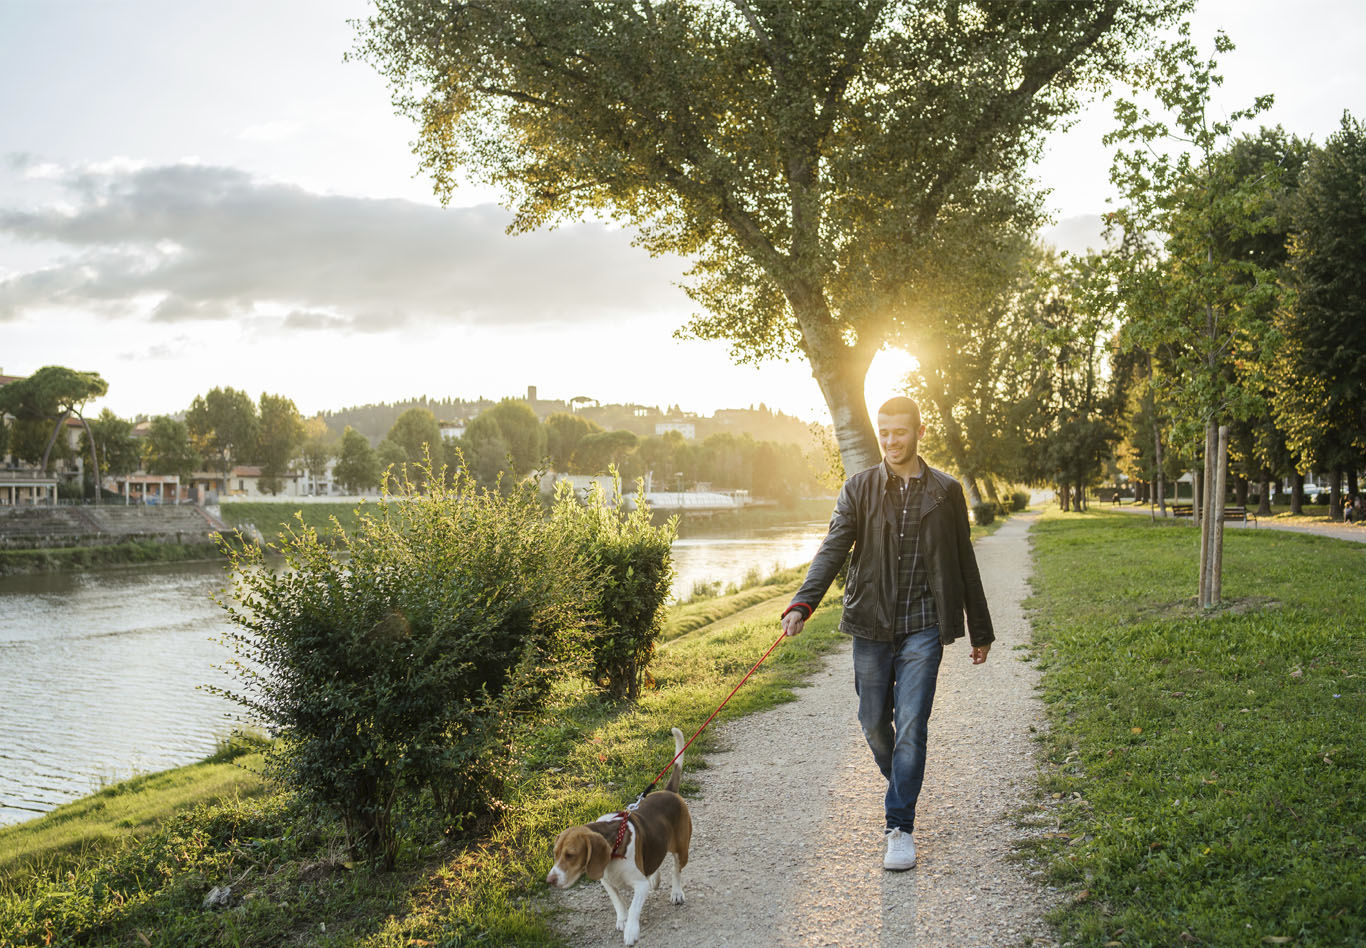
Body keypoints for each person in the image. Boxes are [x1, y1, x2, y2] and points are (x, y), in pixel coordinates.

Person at [780, 396, 994, 872]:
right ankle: (903, 778)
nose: (891, 441)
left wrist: (979, 628)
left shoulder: (946, 491)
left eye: (900, 432)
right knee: (875, 724)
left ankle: (900, 826)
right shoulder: (858, 489)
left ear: (919, 432)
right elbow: (832, 549)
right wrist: (802, 602)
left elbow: (964, 562)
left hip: (924, 627)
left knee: (912, 726)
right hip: (871, 626)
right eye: (884, 432)